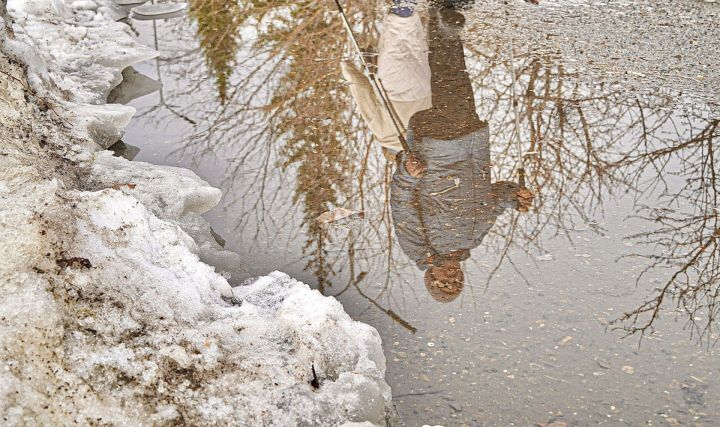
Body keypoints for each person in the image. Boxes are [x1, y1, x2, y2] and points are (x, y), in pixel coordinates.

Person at [343, 1, 533, 302]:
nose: (451, 279)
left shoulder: (419, 248)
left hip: (436, 146)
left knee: (447, 80)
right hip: (471, 140)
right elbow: (491, 199)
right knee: (455, 78)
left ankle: (440, 26)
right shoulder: (473, 238)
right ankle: (442, 21)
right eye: (456, 284)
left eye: (443, 284)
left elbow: (401, 204)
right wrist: (515, 197)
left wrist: (407, 173)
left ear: (430, 278)